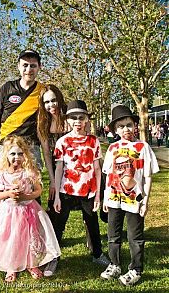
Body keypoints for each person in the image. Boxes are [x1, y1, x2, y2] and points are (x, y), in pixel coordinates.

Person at [0, 136, 61, 282]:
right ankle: (11, 266)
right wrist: (8, 194)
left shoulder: (29, 172)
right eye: (13, 154)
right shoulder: (2, 174)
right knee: (11, 239)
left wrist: (26, 197)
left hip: (28, 210)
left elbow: (38, 190)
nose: (17, 157)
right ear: (6, 155)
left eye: (20, 154)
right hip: (8, 213)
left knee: (28, 238)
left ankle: (31, 264)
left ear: (25, 154)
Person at [100, 105, 159, 286]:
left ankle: (136, 269)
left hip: (135, 200)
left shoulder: (143, 147)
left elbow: (147, 176)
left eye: (129, 125)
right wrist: (105, 197)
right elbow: (108, 175)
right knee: (113, 235)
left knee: (135, 236)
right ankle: (115, 264)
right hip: (114, 198)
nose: (125, 129)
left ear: (135, 125)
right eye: (121, 126)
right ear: (115, 129)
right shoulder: (112, 148)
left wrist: (145, 201)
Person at [0, 49, 45, 216]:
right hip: (6, 148)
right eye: (25, 65)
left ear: (39, 67)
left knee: (33, 190)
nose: (29, 69)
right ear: (18, 66)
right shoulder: (6, 88)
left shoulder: (42, 92)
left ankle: (35, 232)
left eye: (33, 65)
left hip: (31, 148)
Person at [53, 100, 110, 266]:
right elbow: (58, 169)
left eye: (81, 117)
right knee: (59, 225)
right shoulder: (62, 142)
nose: (77, 121)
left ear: (86, 120)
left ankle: (97, 254)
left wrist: (98, 194)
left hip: (88, 191)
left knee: (92, 223)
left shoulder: (93, 141)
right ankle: (53, 257)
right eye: (73, 117)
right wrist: (57, 195)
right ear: (67, 120)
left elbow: (97, 169)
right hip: (66, 190)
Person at [37, 84, 67, 227]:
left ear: (59, 98)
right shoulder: (42, 124)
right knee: (54, 202)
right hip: (56, 169)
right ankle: (54, 236)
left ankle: (92, 239)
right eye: (47, 102)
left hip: (77, 167)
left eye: (53, 100)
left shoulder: (71, 118)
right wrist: (53, 181)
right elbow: (47, 155)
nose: (51, 105)